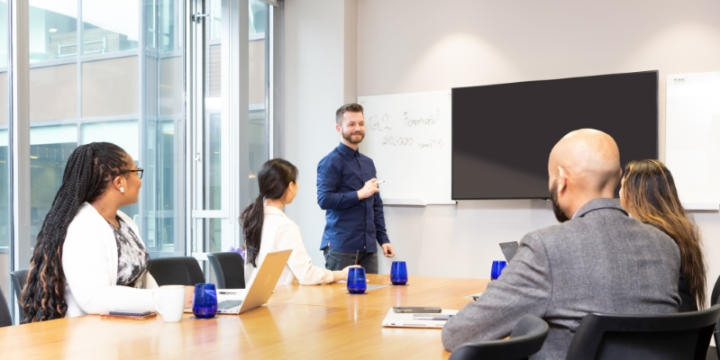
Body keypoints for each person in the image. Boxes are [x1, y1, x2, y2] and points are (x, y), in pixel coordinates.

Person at [441, 129, 681, 359]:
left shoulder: (546, 247)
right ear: (619, 177)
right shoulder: (666, 246)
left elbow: (459, 334)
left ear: (562, 179)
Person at [20, 143, 191, 322]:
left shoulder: (125, 221)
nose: (140, 181)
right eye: (136, 172)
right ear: (119, 182)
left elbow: (143, 280)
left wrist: (174, 300)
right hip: (94, 337)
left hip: (131, 331)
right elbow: (93, 298)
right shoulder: (83, 227)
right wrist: (162, 299)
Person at [241, 158, 348, 285]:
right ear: (290, 187)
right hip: (281, 301)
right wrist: (342, 274)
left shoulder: (253, 219)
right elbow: (307, 275)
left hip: (257, 299)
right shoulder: (285, 226)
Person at [317, 103, 395, 274]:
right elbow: (324, 200)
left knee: (372, 299)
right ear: (339, 128)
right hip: (341, 248)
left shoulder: (368, 163)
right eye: (351, 124)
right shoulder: (330, 162)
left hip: (369, 249)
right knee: (339, 300)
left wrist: (383, 239)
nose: (357, 128)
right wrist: (359, 194)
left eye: (361, 123)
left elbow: (376, 205)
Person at [620, 159, 706, 312]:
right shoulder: (681, 230)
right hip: (687, 328)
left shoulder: (651, 238)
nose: (619, 193)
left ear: (633, 194)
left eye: (622, 186)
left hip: (667, 328)